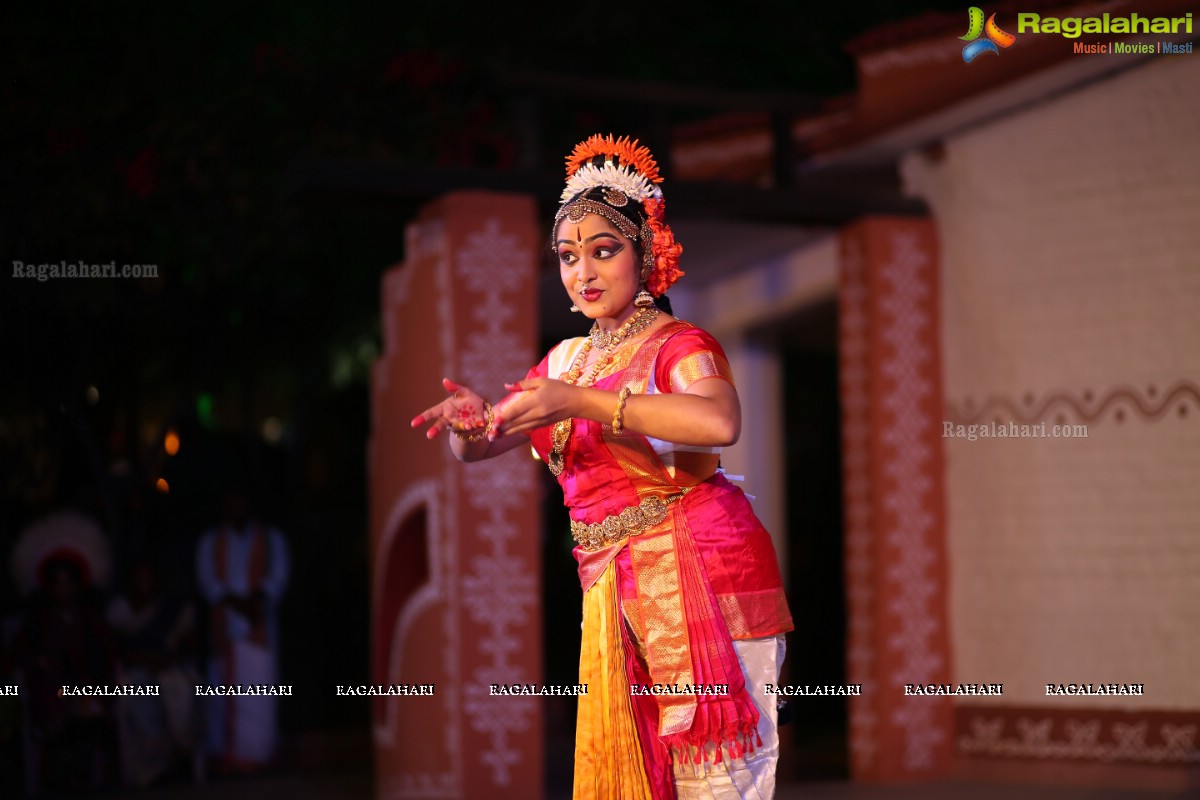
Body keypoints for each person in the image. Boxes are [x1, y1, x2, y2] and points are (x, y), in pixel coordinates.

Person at [412, 134, 794, 799]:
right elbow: (486, 442)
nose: (582, 272)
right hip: (612, 590)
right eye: (567, 256)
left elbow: (719, 423)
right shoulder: (563, 361)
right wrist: (470, 427)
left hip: (702, 573)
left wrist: (582, 402)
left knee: (717, 781)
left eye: (603, 250)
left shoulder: (677, 346)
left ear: (644, 254)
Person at [195, 486, 289, 772]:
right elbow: (209, 582)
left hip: (259, 631)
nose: (235, 507)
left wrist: (255, 603)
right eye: (230, 501)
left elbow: (278, 578)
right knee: (220, 699)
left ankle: (258, 759)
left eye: (240, 500)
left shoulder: (271, 539)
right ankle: (223, 760)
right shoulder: (210, 542)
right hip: (224, 629)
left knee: (258, 698)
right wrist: (237, 603)